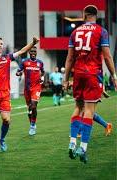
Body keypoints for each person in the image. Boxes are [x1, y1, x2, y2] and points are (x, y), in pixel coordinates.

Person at [64, 5, 117, 163]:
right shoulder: (102, 31)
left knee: (78, 108)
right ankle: (83, 148)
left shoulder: (75, 32)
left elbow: (69, 58)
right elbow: (107, 56)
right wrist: (113, 75)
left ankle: (72, 143)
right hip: (93, 74)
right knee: (89, 111)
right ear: (96, 15)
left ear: (84, 15)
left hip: (78, 74)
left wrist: (66, 79)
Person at [16, 46, 44, 136]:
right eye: (31, 51)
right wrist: (19, 73)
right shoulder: (24, 62)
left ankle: (32, 126)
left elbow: (42, 72)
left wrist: (42, 78)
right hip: (27, 89)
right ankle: (32, 123)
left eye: (34, 51)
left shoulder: (40, 63)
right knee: (29, 109)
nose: (33, 53)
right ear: (29, 52)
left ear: (36, 52)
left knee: (33, 106)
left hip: (36, 87)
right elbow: (18, 71)